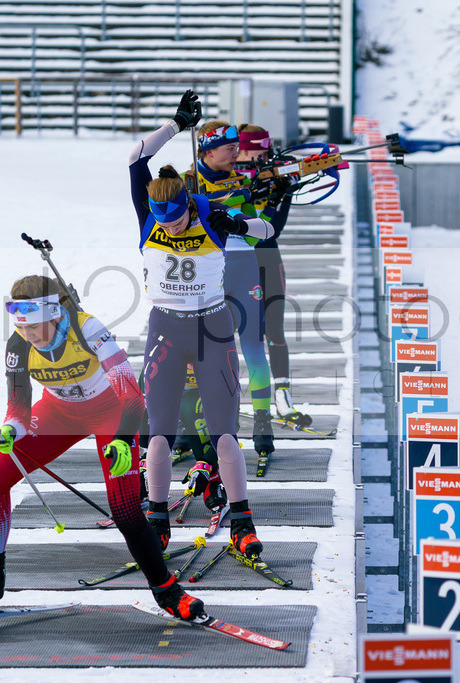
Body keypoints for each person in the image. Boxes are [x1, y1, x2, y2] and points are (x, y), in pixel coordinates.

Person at [0, 275, 203, 621]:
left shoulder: (88, 330)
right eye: (22, 327)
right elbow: (19, 410)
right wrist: (10, 429)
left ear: (55, 315)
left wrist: (124, 441)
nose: (30, 335)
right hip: (58, 414)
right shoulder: (17, 344)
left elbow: (131, 396)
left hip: (111, 415)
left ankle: (166, 589)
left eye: (36, 326)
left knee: (125, 508)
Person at [129, 91, 273, 559]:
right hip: (166, 329)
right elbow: (138, 158)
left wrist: (247, 219)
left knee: (225, 433)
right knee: (159, 433)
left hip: (212, 329)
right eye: (162, 222)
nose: (169, 228)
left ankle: (242, 521)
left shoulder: (209, 213)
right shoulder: (151, 210)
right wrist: (175, 126)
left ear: (190, 206)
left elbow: (268, 234)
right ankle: (156, 515)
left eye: (178, 219)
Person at [194, 120, 277, 458]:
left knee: (253, 346)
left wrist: (251, 215)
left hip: (243, 266)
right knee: (204, 349)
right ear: (209, 150)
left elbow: (264, 232)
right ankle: (196, 422)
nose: (237, 154)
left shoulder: (243, 181)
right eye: (229, 149)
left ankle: (262, 421)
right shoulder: (188, 182)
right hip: (207, 269)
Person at [235, 125, 313, 428]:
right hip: (233, 260)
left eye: (264, 154)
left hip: (266, 257)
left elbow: (273, 229)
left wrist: (284, 192)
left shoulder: (273, 175)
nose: (260, 159)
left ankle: (282, 398)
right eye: (255, 153)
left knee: (275, 330)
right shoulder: (224, 178)